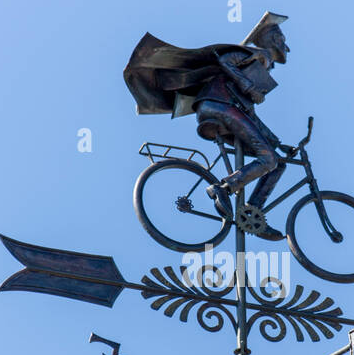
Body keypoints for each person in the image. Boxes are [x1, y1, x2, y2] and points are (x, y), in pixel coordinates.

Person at [123, 12, 292, 241]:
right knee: (268, 160)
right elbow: (225, 61)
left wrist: (277, 143)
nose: (285, 43)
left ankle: (252, 214)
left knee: (277, 161)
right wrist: (248, 86)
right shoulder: (258, 55)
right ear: (272, 39)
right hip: (219, 105)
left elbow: (249, 114)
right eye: (281, 36)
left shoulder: (262, 64)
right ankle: (222, 188)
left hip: (225, 109)